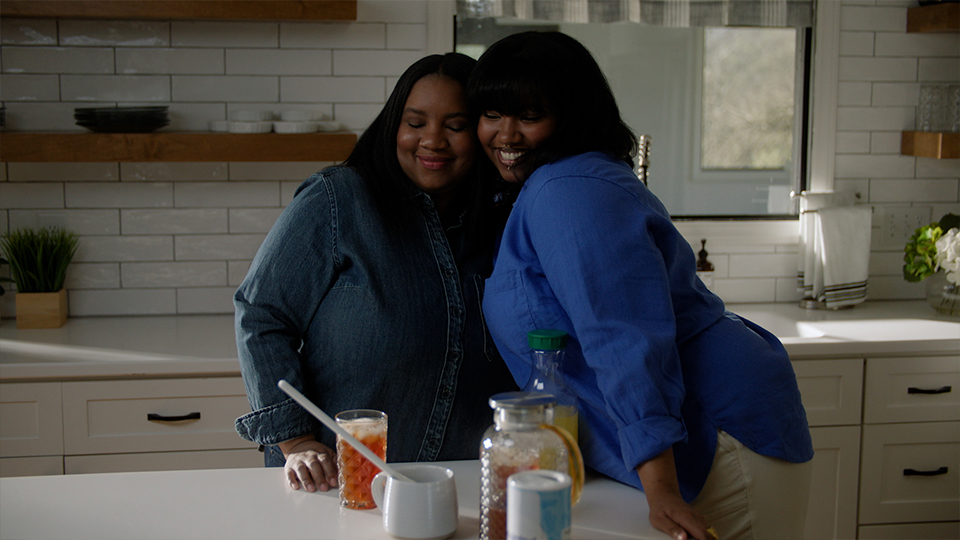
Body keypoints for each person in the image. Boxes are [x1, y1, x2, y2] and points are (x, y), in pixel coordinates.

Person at [471, 32, 813, 540]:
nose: (505, 134)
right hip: (703, 438)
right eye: (492, 114)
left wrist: (662, 488)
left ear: (570, 114)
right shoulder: (558, 184)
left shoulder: (568, 192)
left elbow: (622, 337)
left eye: (528, 115)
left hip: (721, 438)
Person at [234, 52, 517, 494]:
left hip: (455, 488)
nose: (432, 141)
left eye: (455, 125)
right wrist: (296, 442)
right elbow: (261, 314)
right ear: (393, 127)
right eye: (416, 122)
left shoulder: (506, 224)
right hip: (336, 483)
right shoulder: (339, 199)